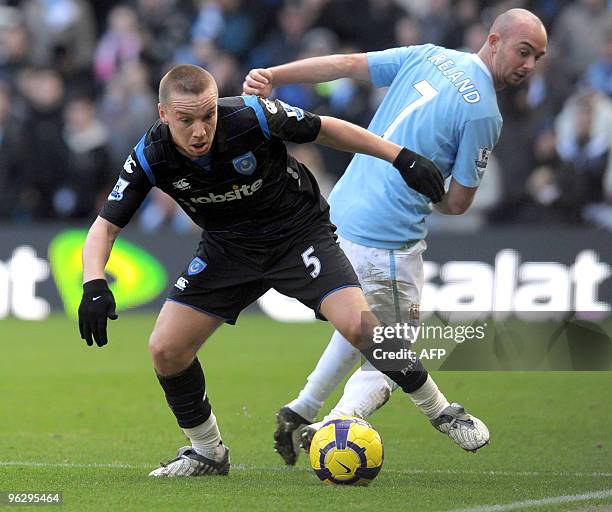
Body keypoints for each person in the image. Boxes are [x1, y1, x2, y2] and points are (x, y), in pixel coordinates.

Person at [78, 64, 445, 477]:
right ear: (163, 114)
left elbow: (326, 128)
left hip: (297, 235)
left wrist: (400, 156)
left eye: (208, 116)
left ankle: (442, 411)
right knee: (166, 349)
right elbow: (105, 226)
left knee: (362, 328)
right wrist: (93, 282)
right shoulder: (151, 154)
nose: (200, 130)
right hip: (228, 249)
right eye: (186, 120)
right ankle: (207, 452)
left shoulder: (252, 115)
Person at [243, 8, 548, 464]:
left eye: (538, 58)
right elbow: (458, 204)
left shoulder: (429, 55)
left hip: (338, 216)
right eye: (524, 52)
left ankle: (301, 409)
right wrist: (434, 189)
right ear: (494, 41)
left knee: (362, 326)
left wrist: (272, 76)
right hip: (387, 239)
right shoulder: (485, 112)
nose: (529, 65)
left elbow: (347, 65)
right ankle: (336, 427)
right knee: (393, 353)